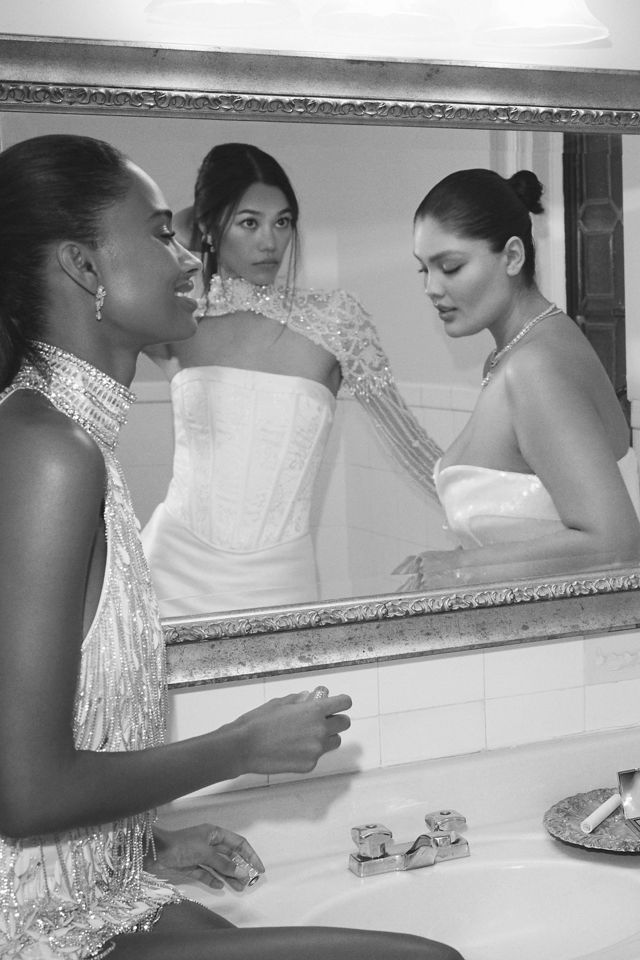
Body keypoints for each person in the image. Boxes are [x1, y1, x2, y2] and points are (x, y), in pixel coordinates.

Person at [0, 133, 464, 960]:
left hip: (106, 885)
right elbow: (25, 791)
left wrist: (150, 843)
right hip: (37, 928)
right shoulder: (48, 451)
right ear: (83, 266)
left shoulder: (72, 440)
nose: (187, 256)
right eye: (160, 234)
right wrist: (241, 746)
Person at [141, 142, 442, 616]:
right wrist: (194, 227)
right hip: (170, 567)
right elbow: (136, 262)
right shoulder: (181, 322)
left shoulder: (336, 321)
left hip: (279, 577)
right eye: (249, 223)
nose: (270, 242)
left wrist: (492, 516)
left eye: (282, 222)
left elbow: (411, 444)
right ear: (209, 227)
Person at [396, 167, 640, 590]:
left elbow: (617, 544)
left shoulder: (534, 367)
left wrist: (459, 568)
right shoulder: (518, 354)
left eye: (450, 267)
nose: (431, 288)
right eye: (424, 270)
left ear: (512, 256)